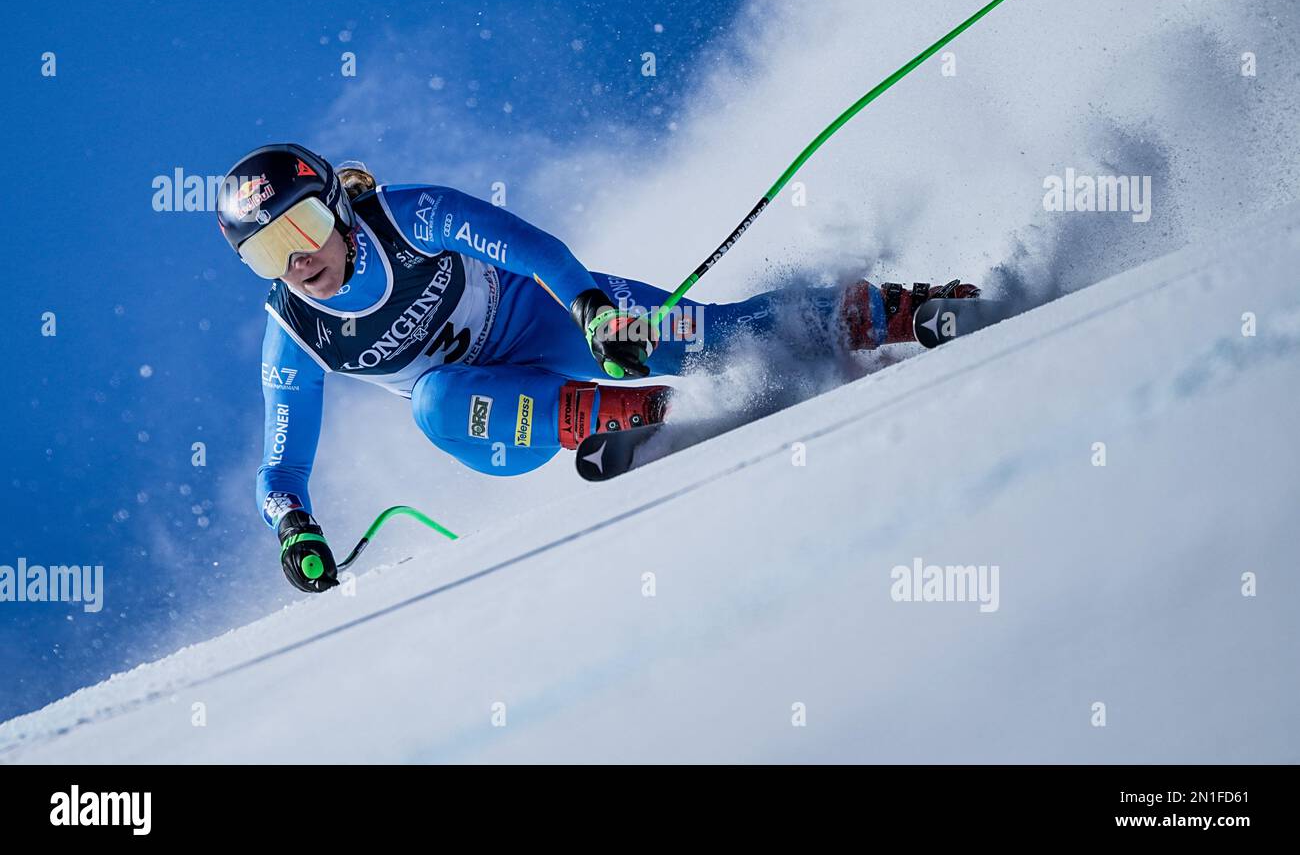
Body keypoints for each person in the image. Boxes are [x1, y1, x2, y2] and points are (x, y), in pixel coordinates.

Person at [215, 144, 977, 592]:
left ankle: (907, 310)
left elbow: (529, 247)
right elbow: (280, 468)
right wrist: (295, 530)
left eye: (305, 227)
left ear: (337, 211)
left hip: (552, 316)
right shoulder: (296, 332)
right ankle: (631, 416)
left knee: (713, 334)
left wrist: (592, 311)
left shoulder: (403, 216)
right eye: (267, 253)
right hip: (498, 411)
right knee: (434, 401)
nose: (299, 259)